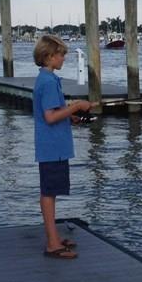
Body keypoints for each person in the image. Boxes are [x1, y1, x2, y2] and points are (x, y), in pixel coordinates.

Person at [32, 35, 92, 259]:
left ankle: (54, 237)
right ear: (49, 57)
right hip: (51, 147)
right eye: (62, 54)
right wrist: (76, 106)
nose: (64, 58)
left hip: (53, 146)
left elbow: (54, 113)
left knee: (51, 191)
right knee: (48, 193)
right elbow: (49, 117)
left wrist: (70, 118)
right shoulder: (48, 82)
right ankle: (52, 244)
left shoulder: (47, 78)